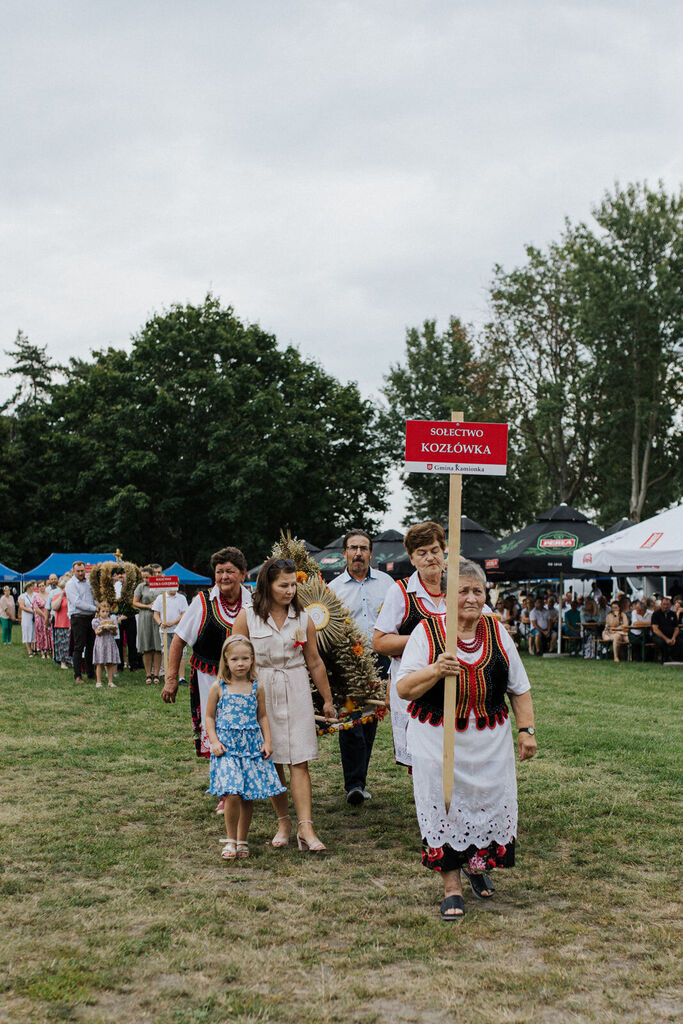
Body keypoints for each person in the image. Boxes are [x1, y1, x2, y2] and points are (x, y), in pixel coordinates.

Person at [396, 558, 537, 921]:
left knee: (485, 805)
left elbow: (519, 689)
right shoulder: (427, 633)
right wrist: (435, 669)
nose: (472, 598)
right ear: (448, 596)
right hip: (436, 739)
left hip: (489, 741)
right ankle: (451, 886)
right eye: (463, 591)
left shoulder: (497, 631)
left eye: (478, 591)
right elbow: (404, 688)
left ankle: (476, 866)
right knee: (444, 807)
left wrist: (527, 731)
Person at [233, 557, 336, 853]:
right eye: (284, 585)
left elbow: (314, 661)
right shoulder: (248, 616)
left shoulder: (303, 618)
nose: (290, 591)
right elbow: (233, 658)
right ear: (268, 584)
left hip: (295, 686)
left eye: (293, 585)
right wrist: (236, 698)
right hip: (260, 689)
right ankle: (284, 822)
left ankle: (307, 827)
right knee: (273, 759)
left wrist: (327, 700)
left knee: (299, 760)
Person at [162, 547, 253, 777]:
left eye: (230, 571)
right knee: (217, 730)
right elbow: (178, 640)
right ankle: (225, 789)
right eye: (219, 571)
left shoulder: (254, 602)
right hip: (209, 681)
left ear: (243, 574)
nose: (223, 577)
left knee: (244, 729)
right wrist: (171, 679)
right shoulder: (202, 602)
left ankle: (243, 782)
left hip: (246, 681)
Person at [328, 529, 393, 805]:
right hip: (347, 663)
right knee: (351, 723)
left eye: (363, 548)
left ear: (370, 554)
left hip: (379, 660)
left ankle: (359, 781)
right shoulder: (332, 589)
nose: (358, 553)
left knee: (369, 720)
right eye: (352, 548)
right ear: (344, 553)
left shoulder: (388, 584)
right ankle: (354, 784)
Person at [373, 522, 447, 767]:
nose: (430, 558)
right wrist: (427, 640)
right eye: (422, 553)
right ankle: (428, 803)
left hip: (455, 681)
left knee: (456, 750)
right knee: (421, 758)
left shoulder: (459, 586)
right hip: (414, 684)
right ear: (412, 559)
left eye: (434, 550)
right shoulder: (401, 591)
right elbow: (380, 642)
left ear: (444, 550)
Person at [206, 634, 286, 860]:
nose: (240, 664)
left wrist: (267, 741)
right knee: (232, 792)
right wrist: (214, 741)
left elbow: (262, 716)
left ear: (252, 659)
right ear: (226, 661)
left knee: (246, 795)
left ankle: (242, 840)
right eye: (235, 660)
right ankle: (230, 840)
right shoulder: (219, 687)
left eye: (245, 658)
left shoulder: (256, 687)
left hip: (250, 747)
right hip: (228, 747)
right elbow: (210, 717)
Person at [65, 561, 97, 681]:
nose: (80, 573)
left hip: (91, 617)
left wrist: (99, 607)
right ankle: (77, 675)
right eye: (78, 571)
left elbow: (94, 598)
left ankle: (90, 672)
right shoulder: (70, 584)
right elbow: (77, 602)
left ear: (85, 570)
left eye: (82, 570)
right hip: (78, 618)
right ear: (73, 571)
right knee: (79, 647)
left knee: (91, 646)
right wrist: (95, 608)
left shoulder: (89, 582)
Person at [133, 566, 163, 684]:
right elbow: (134, 602)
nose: (145, 579)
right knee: (147, 646)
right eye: (143, 577)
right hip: (145, 616)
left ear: (153, 575)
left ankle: (156, 674)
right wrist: (147, 606)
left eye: (147, 577)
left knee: (157, 646)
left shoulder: (160, 585)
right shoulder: (141, 587)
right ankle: (148, 674)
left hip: (158, 616)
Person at [152, 585, 189, 682]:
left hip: (178, 630)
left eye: (175, 585)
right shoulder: (160, 598)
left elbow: (184, 613)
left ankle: (181, 678)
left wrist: (173, 622)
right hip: (164, 631)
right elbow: (156, 614)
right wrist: (160, 623)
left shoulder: (181, 598)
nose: (173, 588)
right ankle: (168, 676)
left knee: (181, 653)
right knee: (166, 652)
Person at [111, 566, 139, 671]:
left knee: (131, 642)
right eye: (118, 574)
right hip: (118, 617)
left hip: (129, 616)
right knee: (119, 641)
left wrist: (126, 615)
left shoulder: (132, 586)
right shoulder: (115, 586)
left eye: (122, 574)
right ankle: (120, 665)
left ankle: (133, 665)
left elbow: (134, 603)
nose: (120, 576)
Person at [92, 601, 120, 687]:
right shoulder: (96, 621)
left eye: (107, 611)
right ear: (99, 612)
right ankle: (99, 681)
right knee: (99, 663)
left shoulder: (111, 620)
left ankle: (110, 681)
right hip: (101, 642)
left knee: (109, 662)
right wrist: (103, 628)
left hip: (109, 642)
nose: (105, 613)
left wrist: (113, 629)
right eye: (103, 611)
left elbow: (115, 633)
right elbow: (97, 632)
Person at [651, 596, 683, 662]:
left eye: (667, 605)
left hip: (671, 635)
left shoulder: (673, 614)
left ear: (670, 605)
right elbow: (655, 629)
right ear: (661, 604)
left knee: (680, 641)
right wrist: (666, 639)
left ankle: (677, 658)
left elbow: (676, 628)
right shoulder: (656, 614)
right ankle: (664, 658)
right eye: (664, 604)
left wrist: (673, 637)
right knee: (661, 642)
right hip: (659, 635)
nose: (665, 606)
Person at [50, 577, 72, 669]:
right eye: (63, 588)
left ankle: (71, 660)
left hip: (71, 623)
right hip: (60, 624)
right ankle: (63, 662)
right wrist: (61, 596)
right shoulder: (56, 597)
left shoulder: (72, 597)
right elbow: (55, 607)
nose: (64, 589)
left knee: (71, 643)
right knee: (62, 643)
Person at [33, 581, 52, 660]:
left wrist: (48, 617)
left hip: (49, 616)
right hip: (40, 617)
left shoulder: (49, 595)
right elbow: (36, 608)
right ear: (38, 587)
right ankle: (42, 651)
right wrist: (45, 616)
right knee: (41, 634)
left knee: (48, 633)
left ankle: (48, 652)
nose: (42, 587)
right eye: (40, 586)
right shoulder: (36, 596)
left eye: (43, 585)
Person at [18, 582, 36, 656]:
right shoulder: (23, 596)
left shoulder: (36, 595)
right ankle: (29, 650)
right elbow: (22, 606)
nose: (33, 587)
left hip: (35, 616)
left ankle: (33, 647)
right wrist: (32, 611)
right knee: (27, 631)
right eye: (32, 586)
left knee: (34, 631)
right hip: (26, 616)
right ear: (28, 587)